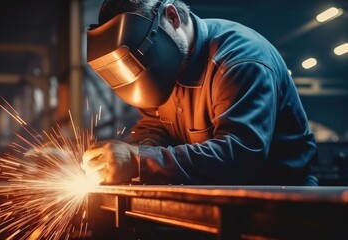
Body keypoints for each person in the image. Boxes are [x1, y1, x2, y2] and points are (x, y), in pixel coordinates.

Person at [83, 0, 318, 186]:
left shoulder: (240, 61)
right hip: (221, 202)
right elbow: (156, 126)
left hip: (283, 207)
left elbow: (240, 156)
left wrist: (138, 160)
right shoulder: (162, 69)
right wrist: (119, 156)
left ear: (172, 17)